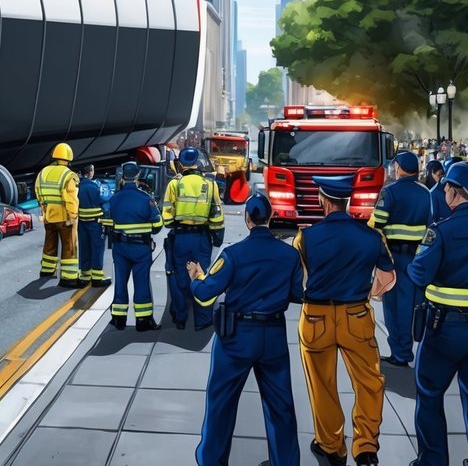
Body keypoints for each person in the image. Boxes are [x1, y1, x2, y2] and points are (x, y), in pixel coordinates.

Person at [189, 193, 303, 466]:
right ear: (271, 217)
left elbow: (205, 296)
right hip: (273, 335)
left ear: (247, 219)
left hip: (236, 337)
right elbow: (298, 294)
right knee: (281, 406)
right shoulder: (290, 255)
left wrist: (196, 278)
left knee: (221, 403)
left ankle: (212, 460)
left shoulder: (232, 254)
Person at [294, 174, 396, 466]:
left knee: (322, 384)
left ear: (323, 200)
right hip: (356, 316)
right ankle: (365, 447)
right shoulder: (372, 236)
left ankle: (330, 445)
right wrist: (370, 294)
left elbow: (296, 281)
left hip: (316, 317)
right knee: (369, 383)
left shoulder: (306, 237)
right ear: (347, 201)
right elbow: (388, 277)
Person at [407, 162, 468, 466]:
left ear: (451, 192)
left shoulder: (441, 231)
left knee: (429, 395)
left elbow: (418, 274)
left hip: (444, 331)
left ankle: (433, 460)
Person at [369, 151, 432, 367]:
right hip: (417, 258)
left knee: (394, 307)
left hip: (393, 258)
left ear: (399, 168)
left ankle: (400, 353)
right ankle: (407, 349)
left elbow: (376, 226)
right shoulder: (426, 193)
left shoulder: (390, 192)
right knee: (411, 306)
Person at [161, 147, 224, 330]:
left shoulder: (174, 184)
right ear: (197, 162)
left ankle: (180, 318)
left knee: (181, 278)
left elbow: (167, 215)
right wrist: (217, 235)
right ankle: (202, 320)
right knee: (201, 277)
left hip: (180, 237)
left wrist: (176, 224)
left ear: (181, 164)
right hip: (202, 238)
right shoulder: (210, 184)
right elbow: (217, 213)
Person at [107, 161, 162, 331]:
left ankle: (118, 319)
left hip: (120, 247)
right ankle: (143, 321)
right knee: (141, 283)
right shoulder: (146, 199)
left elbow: (109, 221)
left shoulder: (114, 199)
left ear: (122, 177)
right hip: (140, 248)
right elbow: (158, 224)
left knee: (120, 282)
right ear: (138, 176)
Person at [36, 143, 82, 287]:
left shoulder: (43, 172)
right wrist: (73, 217)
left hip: (49, 215)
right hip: (65, 217)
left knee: (50, 243)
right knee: (69, 246)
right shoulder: (69, 175)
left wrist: (44, 209)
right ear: (69, 158)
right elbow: (71, 199)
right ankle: (69, 278)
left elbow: (38, 192)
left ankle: (47, 270)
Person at [75, 164, 110, 287]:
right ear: (90, 171)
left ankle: (85, 276)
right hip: (95, 223)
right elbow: (106, 200)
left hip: (81, 223)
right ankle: (97, 278)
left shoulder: (77, 186)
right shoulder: (95, 186)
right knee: (97, 248)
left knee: (84, 248)